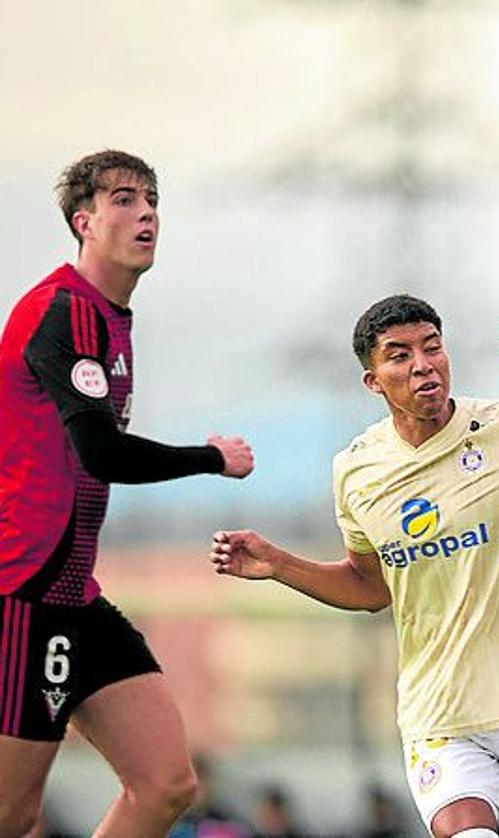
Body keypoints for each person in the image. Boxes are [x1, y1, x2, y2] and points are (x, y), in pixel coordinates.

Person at [209, 294, 499, 838]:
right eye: (399, 355)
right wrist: (279, 564)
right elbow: (370, 586)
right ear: (373, 381)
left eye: (432, 347)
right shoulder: (357, 471)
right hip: (440, 722)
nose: (422, 364)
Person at [0, 150, 255, 838]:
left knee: (166, 784)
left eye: (150, 199)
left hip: (74, 594)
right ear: (82, 222)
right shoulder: (67, 313)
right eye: (122, 199)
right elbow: (102, 451)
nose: (144, 212)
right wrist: (211, 459)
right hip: (24, 593)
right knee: (11, 815)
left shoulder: (111, 318)